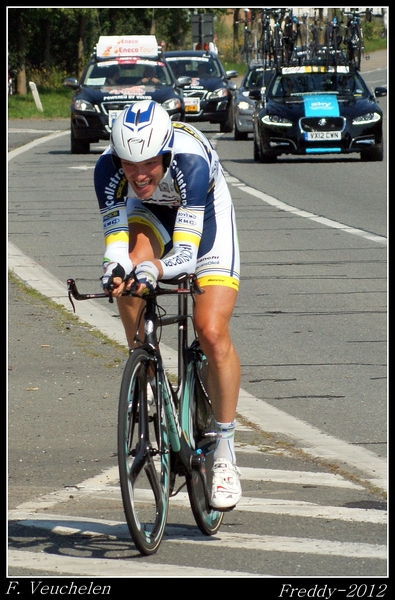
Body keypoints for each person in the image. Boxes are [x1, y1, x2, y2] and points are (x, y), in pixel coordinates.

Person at [94, 100, 242, 510]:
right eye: (129, 164)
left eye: (148, 164)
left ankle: (225, 450)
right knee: (129, 278)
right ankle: (143, 364)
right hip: (150, 215)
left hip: (205, 220)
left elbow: (187, 256)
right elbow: (116, 242)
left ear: (165, 152)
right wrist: (118, 269)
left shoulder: (189, 162)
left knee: (210, 330)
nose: (139, 174)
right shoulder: (107, 169)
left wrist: (155, 269)